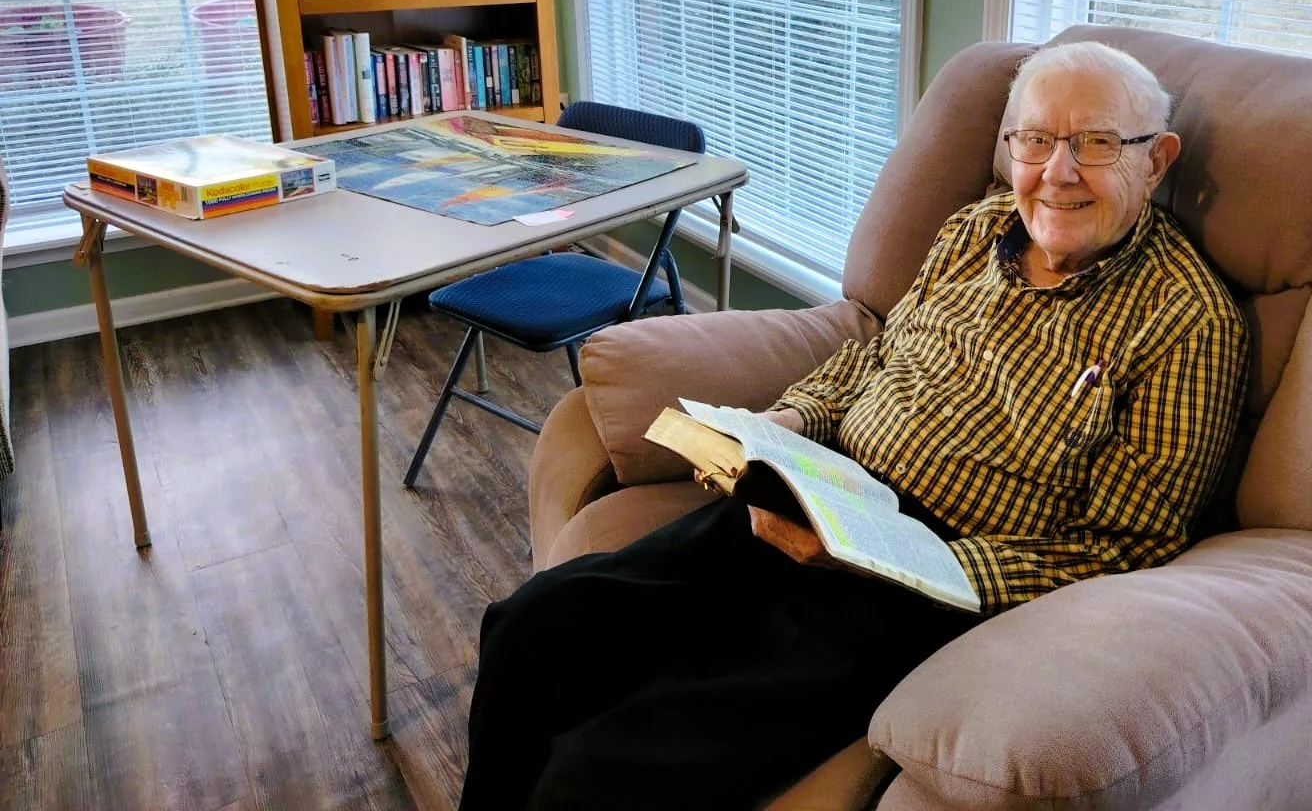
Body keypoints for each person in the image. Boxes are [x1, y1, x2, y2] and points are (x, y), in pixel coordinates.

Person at [459, 41, 1249, 811]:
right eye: (1036, 141)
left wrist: (906, 564)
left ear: (1159, 158)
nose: (1058, 172)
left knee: (602, 774)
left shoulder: (1187, 321)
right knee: (530, 629)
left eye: (1097, 144)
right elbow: (872, 359)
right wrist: (788, 421)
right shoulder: (972, 232)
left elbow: (1125, 545)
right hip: (816, 497)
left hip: (914, 593)